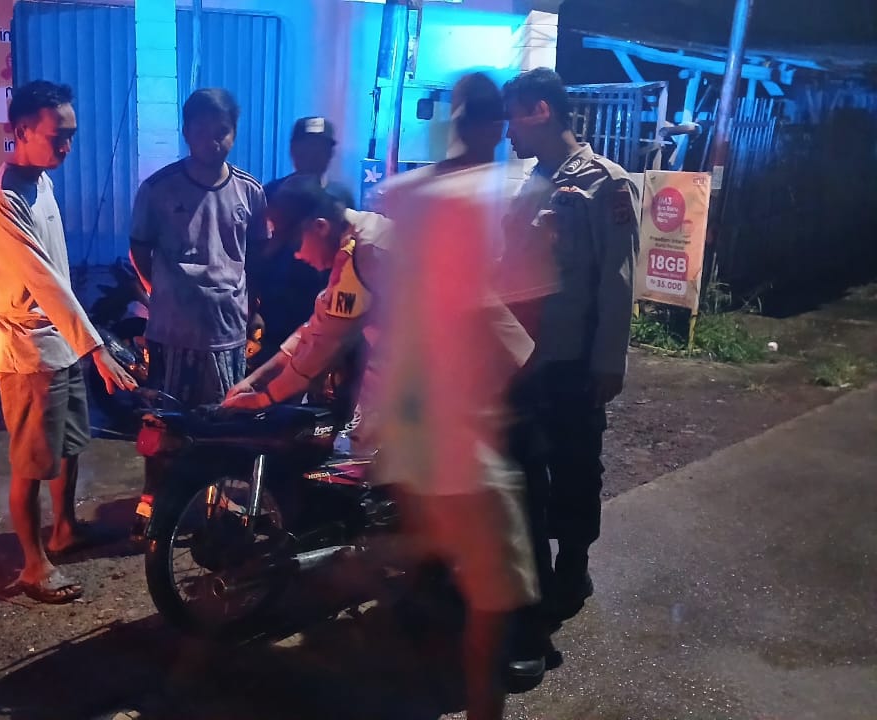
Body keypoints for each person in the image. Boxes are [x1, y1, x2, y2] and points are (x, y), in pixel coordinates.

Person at [370, 72, 540, 720]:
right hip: (467, 442)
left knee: (434, 573)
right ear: (495, 126)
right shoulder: (504, 195)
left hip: (411, 435)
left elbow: (399, 315)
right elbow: (513, 319)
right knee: (492, 603)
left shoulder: (408, 195)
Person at [500, 67, 640, 660]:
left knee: (576, 467)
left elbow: (617, 282)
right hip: (523, 359)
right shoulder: (531, 183)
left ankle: (573, 568)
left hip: (573, 360)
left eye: (513, 118)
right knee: (527, 473)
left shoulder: (606, 185)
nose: (508, 132)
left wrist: (608, 363)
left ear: (540, 111)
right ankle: (532, 577)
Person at [0, 80, 137, 604]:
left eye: (71, 135)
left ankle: (64, 528)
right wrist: (98, 349)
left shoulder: (40, 181)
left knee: (70, 444)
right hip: (29, 353)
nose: (67, 146)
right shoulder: (5, 198)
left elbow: (47, 275)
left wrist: (82, 343)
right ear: (22, 130)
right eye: (58, 136)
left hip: (60, 342)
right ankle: (33, 564)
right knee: (31, 462)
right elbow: (43, 281)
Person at [222, 175, 390, 446]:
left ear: (320, 227)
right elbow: (316, 328)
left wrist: (263, 399)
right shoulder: (355, 242)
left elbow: (324, 346)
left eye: (295, 245)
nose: (297, 256)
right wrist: (256, 380)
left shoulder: (366, 252)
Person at [128, 88, 267, 407]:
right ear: (186, 132)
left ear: (235, 133)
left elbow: (257, 258)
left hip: (228, 331)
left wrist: (255, 310)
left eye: (222, 132)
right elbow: (139, 249)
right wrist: (161, 292)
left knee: (223, 418)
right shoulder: (157, 189)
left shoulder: (250, 191)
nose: (212, 141)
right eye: (202, 131)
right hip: (172, 333)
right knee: (170, 420)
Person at [249, 117, 355, 368]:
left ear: (330, 153)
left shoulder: (341, 197)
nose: (312, 155)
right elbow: (253, 256)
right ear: (292, 150)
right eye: (305, 147)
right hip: (275, 311)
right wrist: (252, 309)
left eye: (320, 148)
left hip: (323, 307)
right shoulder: (271, 193)